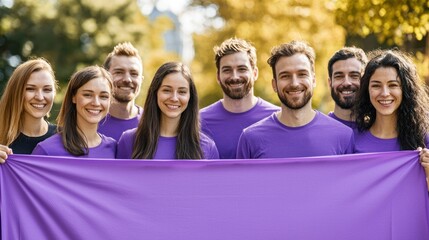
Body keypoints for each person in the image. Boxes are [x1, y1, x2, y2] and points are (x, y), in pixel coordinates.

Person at [236, 40, 354, 159]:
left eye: (302, 74)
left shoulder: (343, 136)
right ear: (274, 84)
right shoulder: (251, 138)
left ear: (313, 80)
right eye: (285, 76)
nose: (294, 83)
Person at [117, 62, 219, 159]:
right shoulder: (128, 141)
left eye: (182, 92)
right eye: (167, 90)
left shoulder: (207, 147)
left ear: (190, 97)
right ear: (155, 92)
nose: (174, 98)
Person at [200, 38, 279, 159]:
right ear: (218, 77)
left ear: (255, 73)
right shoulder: (198, 122)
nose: (235, 76)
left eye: (242, 69)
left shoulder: (277, 118)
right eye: (227, 70)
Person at [353, 49, 429, 153]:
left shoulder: (424, 140)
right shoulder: (353, 140)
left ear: (406, 90)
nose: (384, 93)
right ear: (367, 90)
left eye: (393, 85)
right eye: (376, 85)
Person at [32, 66, 116, 158]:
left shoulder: (113, 148)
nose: (96, 103)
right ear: (73, 97)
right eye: (87, 95)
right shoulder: (46, 150)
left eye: (103, 96)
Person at [0, 58, 58, 163]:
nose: (40, 97)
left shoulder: (66, 139)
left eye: (47, 90)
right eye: (30, 89)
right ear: (16, 92)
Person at [98, 42, 144, 141]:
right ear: (105, 77)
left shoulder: (153, 123)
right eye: (119, 72)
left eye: (134, 73)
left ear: (141, 80)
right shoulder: (89, 122)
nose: (127, 79)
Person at [327, 47, 368, 128]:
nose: (346, 83)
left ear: (365, 81)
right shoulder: (320, 130)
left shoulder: (378, 132)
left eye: (354, 76)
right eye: (339, 76)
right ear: (330, 83)